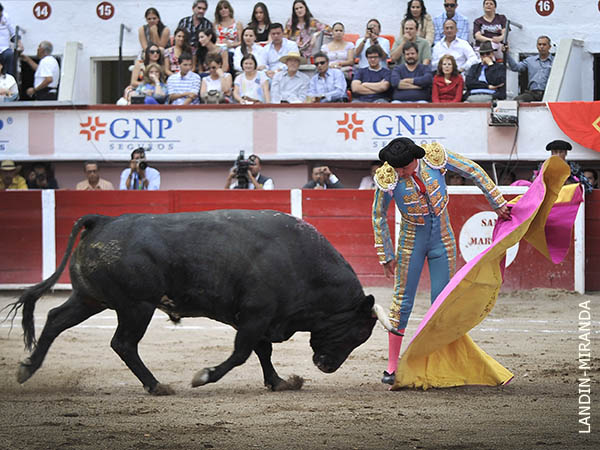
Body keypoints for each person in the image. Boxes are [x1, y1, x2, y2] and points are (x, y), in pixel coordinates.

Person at [372, 138, 510, 385]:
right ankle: (392, 367)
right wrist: (387, 255)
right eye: (396, 168)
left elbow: (473, 170)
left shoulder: (434, 157)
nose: (400, 173)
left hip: (442, 240)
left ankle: (438, 364)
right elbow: (378, 215)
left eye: (404, 168)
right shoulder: (387, 175)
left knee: (441, 303)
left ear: (415, 159)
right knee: (402, 302)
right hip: (410, 243)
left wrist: (497, 202)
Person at [505, 36, 554, 102]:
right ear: (537, 46)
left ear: (549, 47)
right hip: (533, 93)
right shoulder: (530, 60)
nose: (542, 46)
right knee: (517, 101)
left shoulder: (555, 61)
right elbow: (515, 67)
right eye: (539, 44)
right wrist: (506, 53)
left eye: (544, 44)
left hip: (549, 93)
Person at [0, 3, 17, 76]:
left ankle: (8, 79)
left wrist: (19, 42)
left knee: (9, 55)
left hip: (4, 49)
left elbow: (13, 33)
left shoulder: (5, 17)